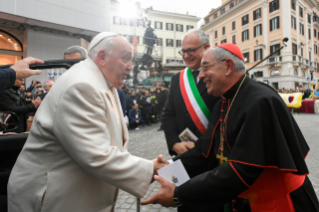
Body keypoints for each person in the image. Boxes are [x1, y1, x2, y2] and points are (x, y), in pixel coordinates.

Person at [142, 44, 319, 211]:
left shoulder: (260, 101)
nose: (201, 75)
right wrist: (166, 168)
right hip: (246, 201)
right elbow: (206, 152)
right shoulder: (224, 101)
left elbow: (242, 170)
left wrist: (178, 195)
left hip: (277, 201)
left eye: (206, 68)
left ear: (227, 66)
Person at [7, 32, 167, 212]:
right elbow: (97, 154)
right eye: (126, 59)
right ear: (102, 57)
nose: (131, 67)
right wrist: (149, 169)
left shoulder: (102, 81)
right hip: (49, 199)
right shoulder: (81, 85)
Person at [162, 29, 219, 157]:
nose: (186, 56)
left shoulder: (218, 76)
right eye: (183, 51)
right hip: (182, 152)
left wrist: (201, 147)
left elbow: (223, 118)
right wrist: (174, 143)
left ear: (206, 48)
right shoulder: (177, 79)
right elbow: (168, 114)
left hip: (211, 153)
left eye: (191, 50)